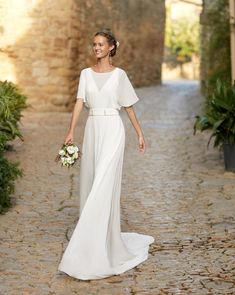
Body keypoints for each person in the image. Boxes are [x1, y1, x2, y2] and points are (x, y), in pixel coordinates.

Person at [58, 28, 154, 280]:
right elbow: (80, 102)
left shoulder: (120, 75)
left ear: (111, 47)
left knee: (104, 182)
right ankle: (94, 237)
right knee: (91, 182)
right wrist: (71, 131)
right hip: (92, 129)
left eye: (101, 44)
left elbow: (129, 107)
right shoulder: (85, 74)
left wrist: (139, 134)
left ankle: (92, 244)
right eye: (94, 44)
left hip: (113, 130)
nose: (96, 48)